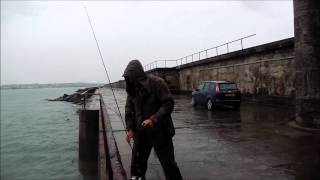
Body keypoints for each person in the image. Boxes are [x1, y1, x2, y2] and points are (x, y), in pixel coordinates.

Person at [123, 60, 182, 180]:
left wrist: (153, 119)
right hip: (141, 133)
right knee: (137, 165)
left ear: (137, 75)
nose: (130, 81)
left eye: (131, 78)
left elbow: (168, 103)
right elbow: (128, 110)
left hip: (161, 132)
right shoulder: (132, 90)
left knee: (169, 164)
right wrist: (129, 128)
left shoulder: (157, 83)